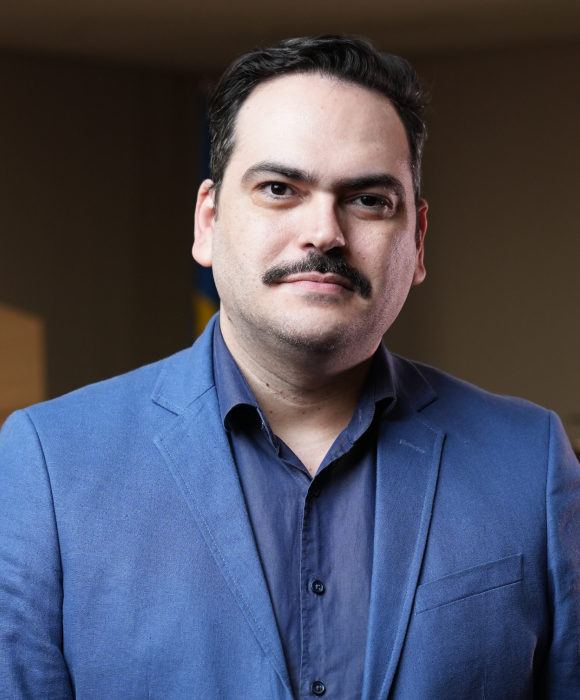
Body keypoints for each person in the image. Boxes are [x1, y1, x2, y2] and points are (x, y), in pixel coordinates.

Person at [1, 35, 578, 700]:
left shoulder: (529, 460)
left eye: (369, 199)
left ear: (418, 240)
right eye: (279, 189)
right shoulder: (50, 465)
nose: (325, 232)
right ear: (208, 221)